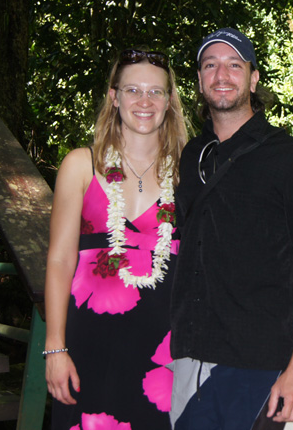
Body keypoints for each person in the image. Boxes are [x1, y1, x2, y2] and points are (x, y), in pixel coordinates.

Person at [169, 27, 293, 429]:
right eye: (210, 65)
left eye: (233, 64)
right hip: (187, 359)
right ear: (198, 80)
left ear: (253, 77)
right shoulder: (190, 156)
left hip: (259, 368)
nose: (221, 75)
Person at [44, 48, 187, 429]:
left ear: (170, 101)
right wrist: (54, 348)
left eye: (156, 92)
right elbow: (59, 260)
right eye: (133, 90)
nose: (144, 101)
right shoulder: (80, 165)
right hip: (89, 346)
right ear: (114, 96)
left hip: (163, 353)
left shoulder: (189, 172)